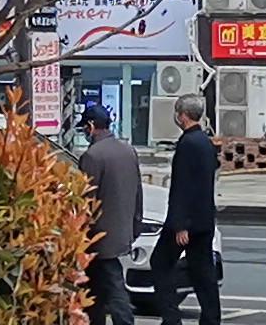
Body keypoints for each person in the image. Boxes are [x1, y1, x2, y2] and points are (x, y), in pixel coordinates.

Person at [148, 92, 220, 325]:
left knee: (160, 262)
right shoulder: (206, 143)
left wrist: (180, 225)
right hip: (204, 220)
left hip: (186, 222)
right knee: (203, 273)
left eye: (177, 113)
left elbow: (182, 187)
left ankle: (171, 318)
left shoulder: (187, 144)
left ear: (183, 116)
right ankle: (211, 319)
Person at [75, 101, 142, 325]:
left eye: (85, 127)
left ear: (92, 126)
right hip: (122, 230)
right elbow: (138, 192)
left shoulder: (92, 156)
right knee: (95, 290)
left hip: (98, 236)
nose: (85, 131)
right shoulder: (127, 150)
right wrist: (135, 225)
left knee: (112, 288)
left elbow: (86, 199)